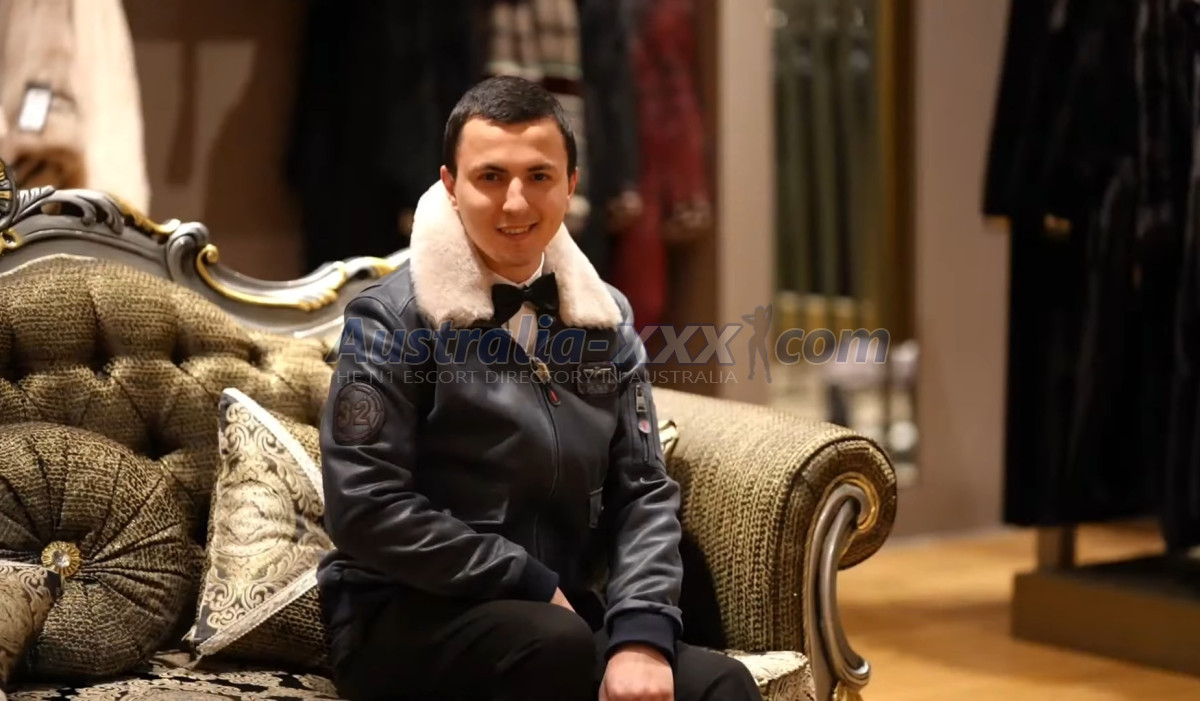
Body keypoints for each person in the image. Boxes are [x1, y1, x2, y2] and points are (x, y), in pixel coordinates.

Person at [316, 75, 762, 701]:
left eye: (539, 176)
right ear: (450, 186)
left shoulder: (606, 317)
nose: (516, 203)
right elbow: (366, 507)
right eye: (490, 177)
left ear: (571, 185)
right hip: (404, 615)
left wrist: (640, 634)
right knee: (555, 645)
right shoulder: (390, 320)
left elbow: (643, 491)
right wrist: (524, 579)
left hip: (562, 611)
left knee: (720, 683)